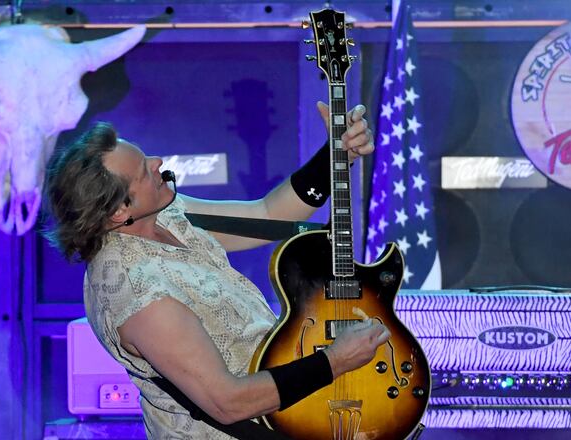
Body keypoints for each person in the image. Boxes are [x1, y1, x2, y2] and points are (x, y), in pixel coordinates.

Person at [43, 102, 389, 439]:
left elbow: (267, 214)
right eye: (143, 170)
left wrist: (335, 157)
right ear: (119, 211)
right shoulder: (139, 293)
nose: (157, 162)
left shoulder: (163, 215)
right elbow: (228, 402)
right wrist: (335, 360)